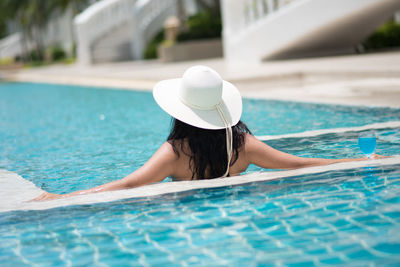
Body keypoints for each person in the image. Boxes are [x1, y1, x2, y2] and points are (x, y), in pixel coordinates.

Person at [33, 65, 377, 201]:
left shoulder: (174, 153)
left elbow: (128, 185)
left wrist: (60, 198)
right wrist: (361, 159)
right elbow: (298, 164)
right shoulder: (243, 145)